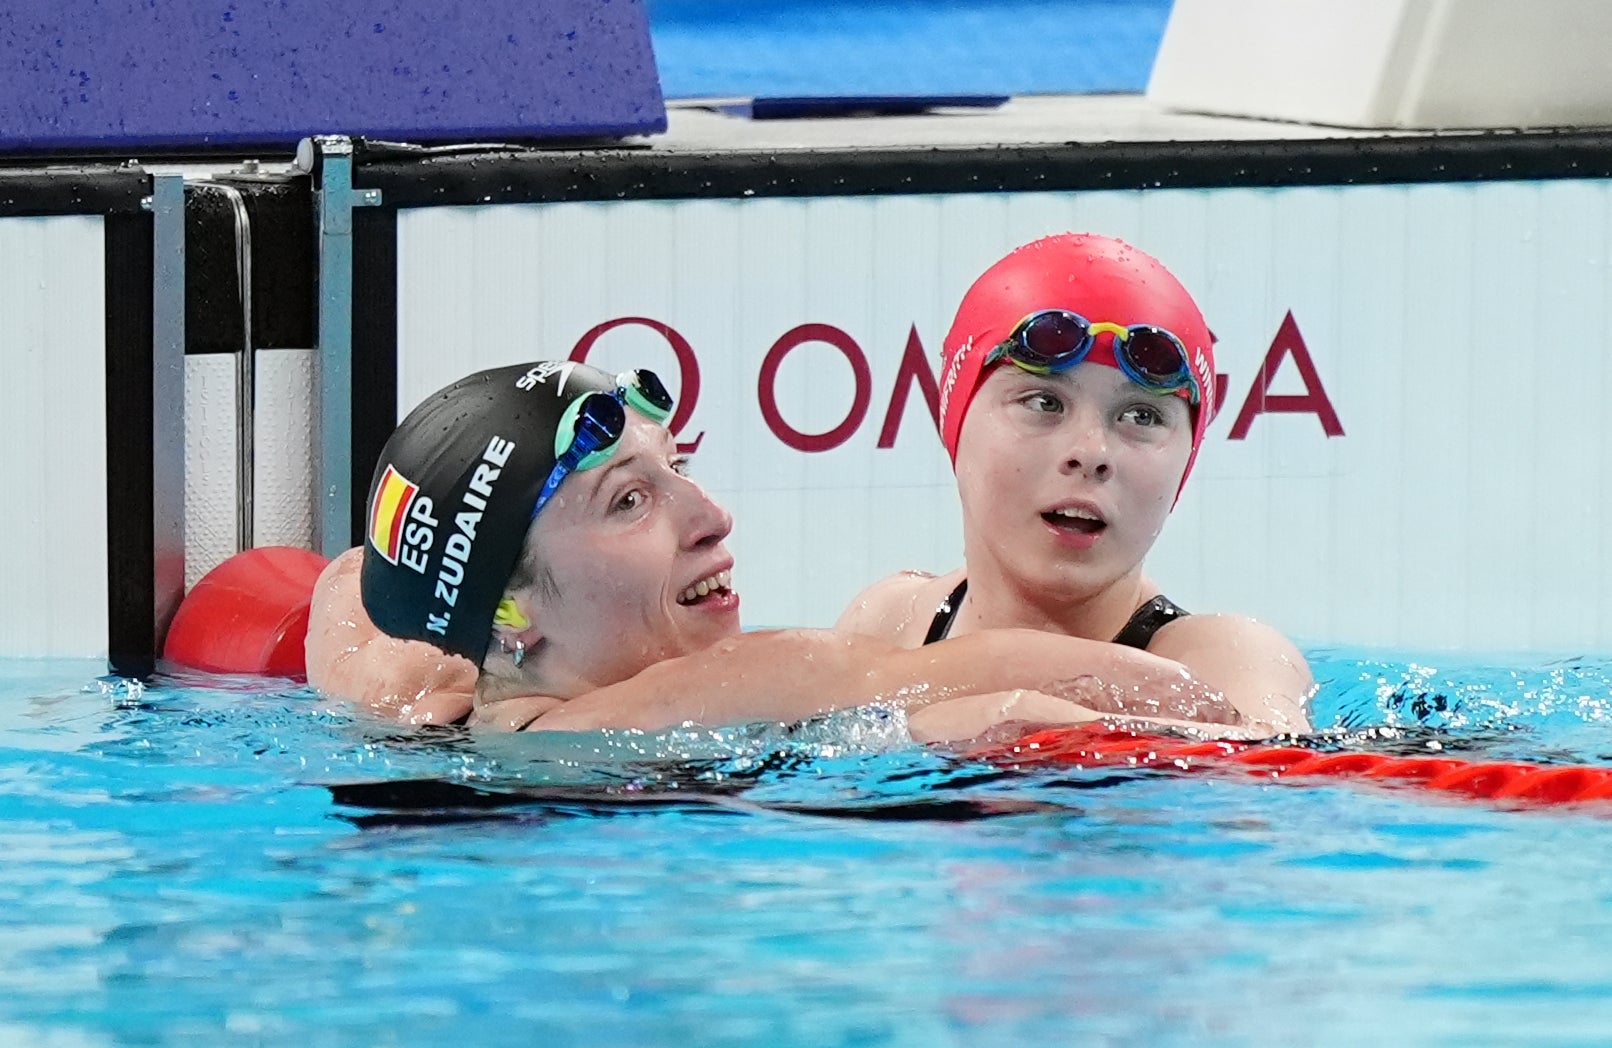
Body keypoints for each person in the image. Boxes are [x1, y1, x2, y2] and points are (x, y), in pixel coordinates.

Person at [307, 359, 1267, 741]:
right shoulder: (654, 710)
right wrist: (1198, 714)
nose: (711, 514)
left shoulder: (418, 692)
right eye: (632, 500)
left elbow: (348, 588)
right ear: (515, 612)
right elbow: (953, 683)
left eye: (678, 466)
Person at [836, 233, 1313, 733]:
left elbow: (1272, 758)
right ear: (953, 419)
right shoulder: (892, 621)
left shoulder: (1220, 662)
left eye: (1141, 415)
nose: (1091, 452)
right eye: (1044, 403)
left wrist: (1041, 728)